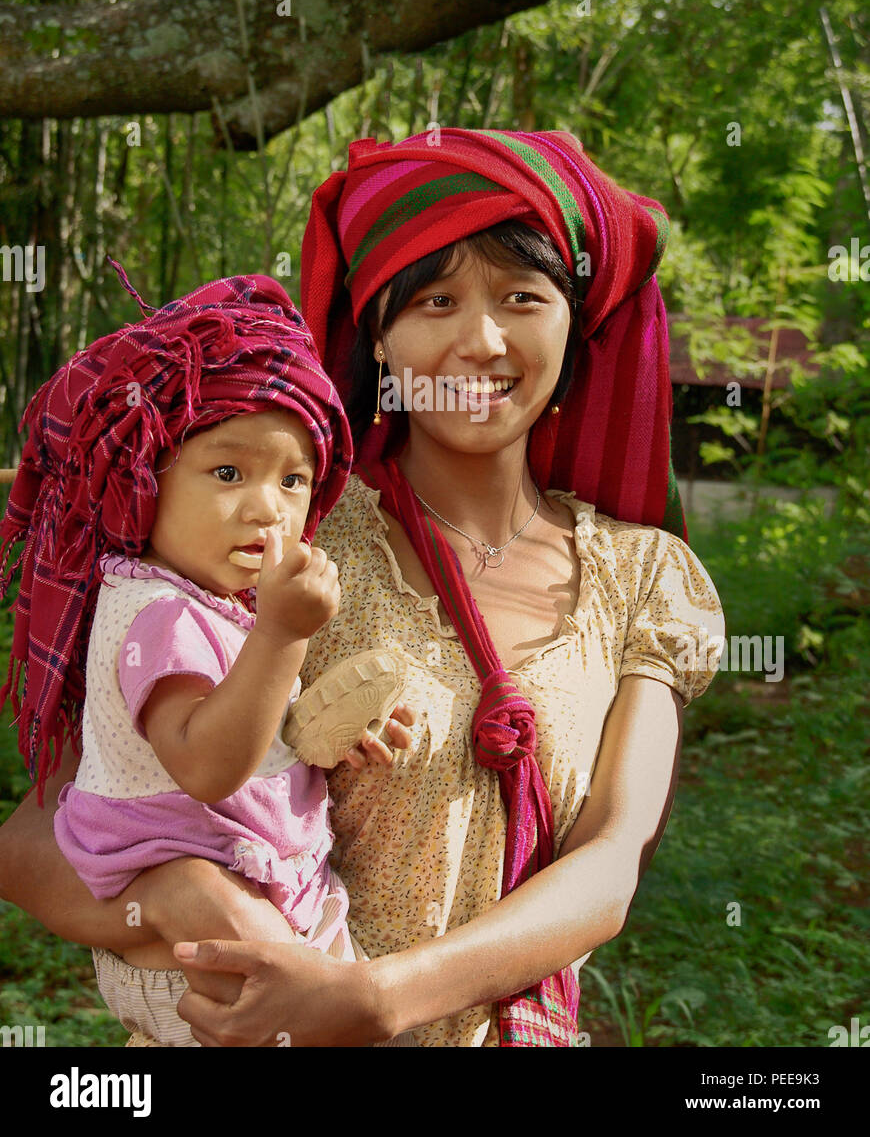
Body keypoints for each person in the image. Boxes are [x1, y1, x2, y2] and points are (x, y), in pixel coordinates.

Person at [0, 128, 726, 1048]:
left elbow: (611, 861)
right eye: (435, 299)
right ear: (376, 334)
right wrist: (194, 908)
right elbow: (34, 848)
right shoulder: (274, 539)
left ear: (571, 331)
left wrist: (371, 1000)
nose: (482, 338)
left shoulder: (643, 577)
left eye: (522, 297)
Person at [0, 263, 415, 1047]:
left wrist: (330, 737)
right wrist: (283, 636)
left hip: (258, 904)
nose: (267, 507)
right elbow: (205, 763)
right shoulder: (156, 613)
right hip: (191, 945)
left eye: (295, 481)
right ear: (143, 486)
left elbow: (258, 738)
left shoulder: (217, 605)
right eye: (228, 472)